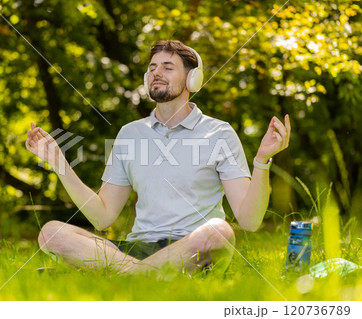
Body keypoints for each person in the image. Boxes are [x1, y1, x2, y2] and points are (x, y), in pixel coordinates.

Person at [25, 40, 291, 274]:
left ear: (192, 79)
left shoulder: (219, 133)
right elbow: (102, 217)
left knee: (220, 232)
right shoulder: (130, 134)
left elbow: (250, 220)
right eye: (152, 68)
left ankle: (115, 273)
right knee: (51, 233)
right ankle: (141, 273)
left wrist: (262, 161)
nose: (156, 73)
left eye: (167, 67)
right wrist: (59, 163)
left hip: (193, 247)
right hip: (136, 248)